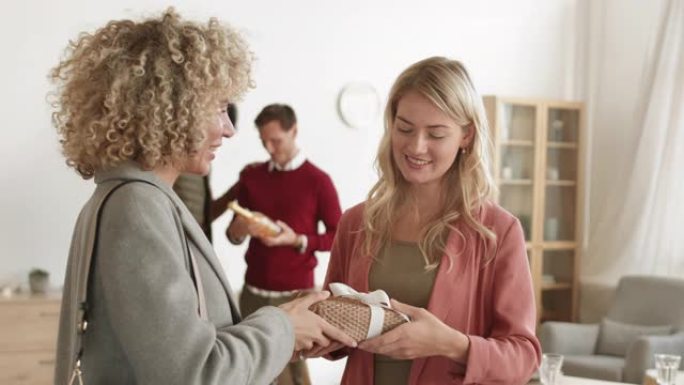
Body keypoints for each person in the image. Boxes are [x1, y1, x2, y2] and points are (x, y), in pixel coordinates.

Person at [50, 9, 355, 385]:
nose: (228, 129)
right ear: (173, 111)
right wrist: (283, 327)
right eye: (220, 108)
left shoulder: (129, 198)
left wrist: (281, 324)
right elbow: (196, 373)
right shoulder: (137, 208)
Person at [316, 57, 541, 384]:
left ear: (466, 136)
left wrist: (453, 345)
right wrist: (310, 326)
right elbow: (336, 338)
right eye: (404, 128)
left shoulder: (497, 231)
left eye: (436, 134)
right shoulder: (356, 222)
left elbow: (523, 357)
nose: (416, 146)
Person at [225, 103, 342, 385]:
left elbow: (338, 237)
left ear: (294, 131)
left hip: (295, 295)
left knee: (293, 377)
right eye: (264, 141)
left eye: (276, 140)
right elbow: (232, 235)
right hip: (252, 294)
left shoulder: (318, 181)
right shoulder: (252, 177)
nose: (269, 148)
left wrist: (298, 240)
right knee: (252, 373)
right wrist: (241, 227)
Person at [173, 103, 238, 242]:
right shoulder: (176, 165)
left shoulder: (200, 163)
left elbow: (203, 216)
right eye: (221, 111)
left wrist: (235, 192)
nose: (229, 132)